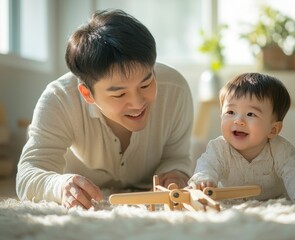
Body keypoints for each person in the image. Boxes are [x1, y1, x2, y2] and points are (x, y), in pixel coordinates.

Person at [16, 9, 194, 209]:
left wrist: (175, 174)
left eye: (145, 84)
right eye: (119, 94)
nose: (137, 103)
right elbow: (27, 174)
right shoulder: (59, 99)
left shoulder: (175, 89)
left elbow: (176, 157)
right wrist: (59, 186)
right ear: (87, 94)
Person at [188, 73, 295, 203]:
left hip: (273, 200)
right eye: (230, 112)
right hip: (232, 200)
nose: (238, 121)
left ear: (273, 129)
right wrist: (204, 180)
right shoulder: (219, 148)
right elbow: (206, 166)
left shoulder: (280, 150)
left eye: (251, 114)